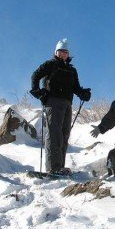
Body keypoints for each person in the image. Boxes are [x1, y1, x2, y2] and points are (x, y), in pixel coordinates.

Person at [30, 39, 91, 175]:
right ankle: (53, 167)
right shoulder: (50, 64)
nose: (63, 53)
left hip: (67, 104)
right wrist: (38, 92)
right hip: (53, 102)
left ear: (68, 54)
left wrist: (83, 93)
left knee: (64, 134)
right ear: (56, 52)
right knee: (54, 133)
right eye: (61, 51)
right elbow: (35, 75)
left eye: (65, 51)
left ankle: (60, 167)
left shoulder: (72, 70)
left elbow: (76, 87)